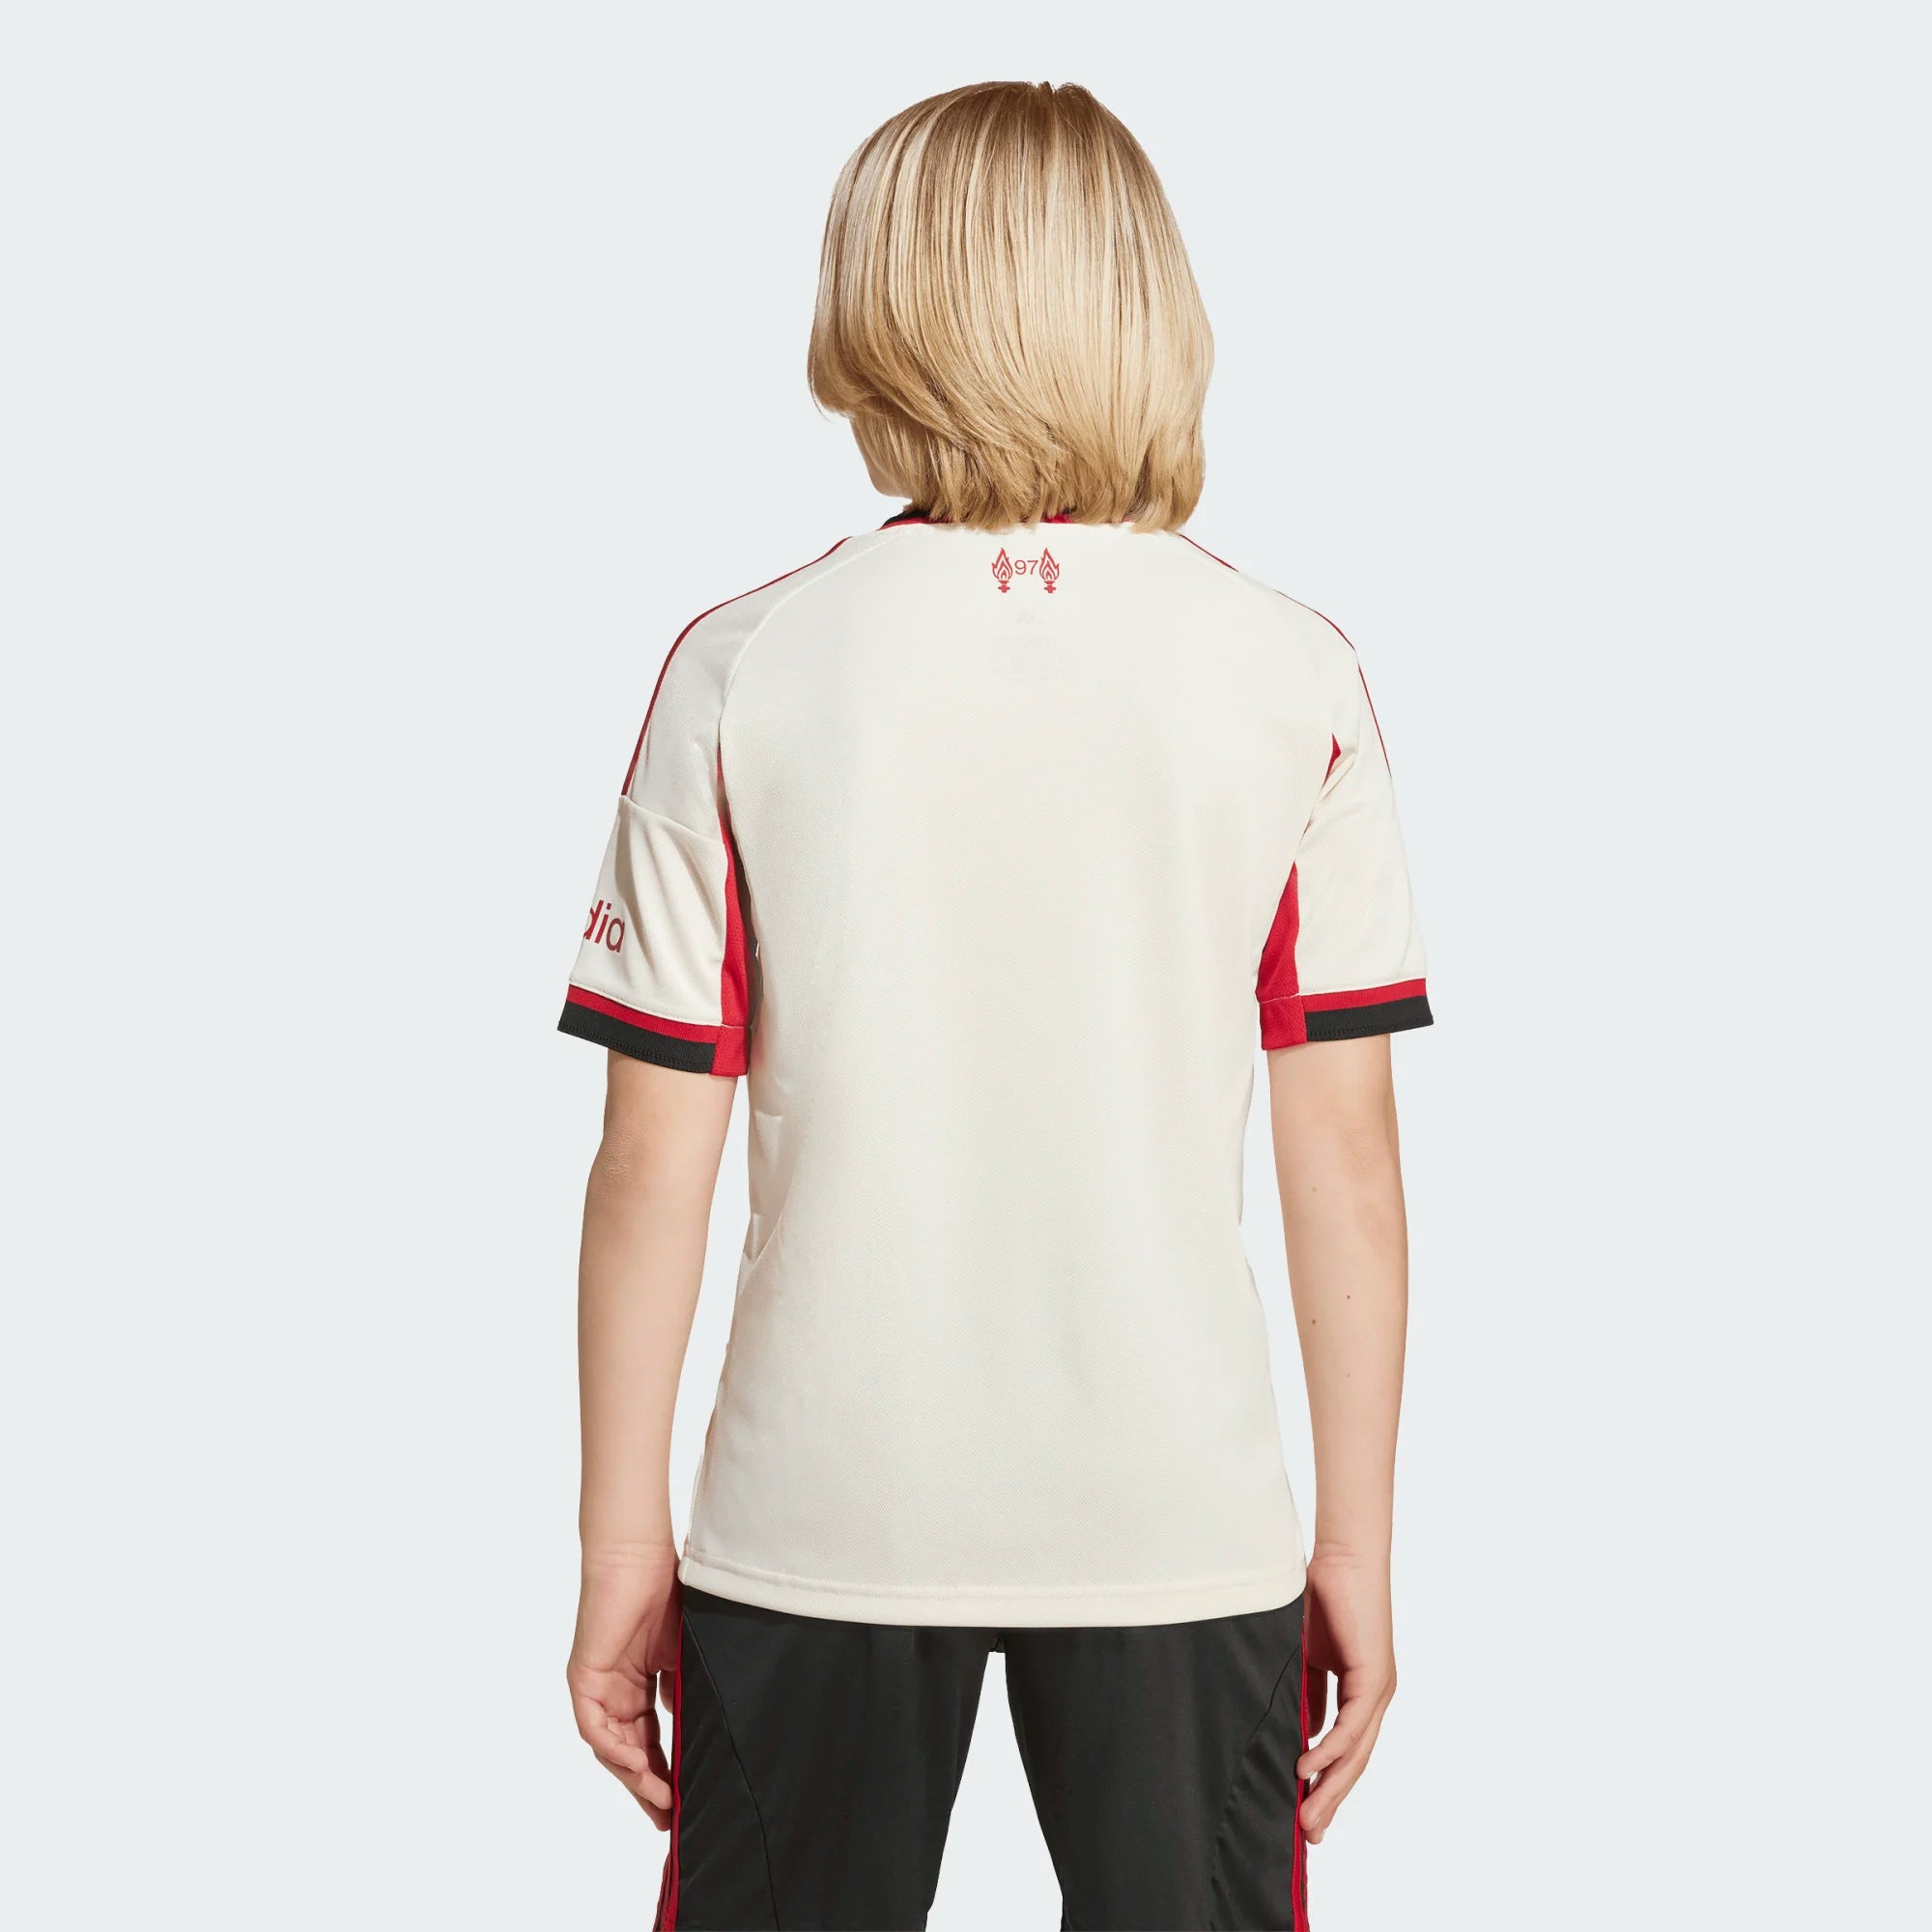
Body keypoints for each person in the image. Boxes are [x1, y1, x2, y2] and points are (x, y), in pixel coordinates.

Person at [559, 80, 1429, 1932]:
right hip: (1177, 1514)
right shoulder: (1291, 674)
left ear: (876, 308)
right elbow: (1347, 1164)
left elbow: (650, 1163)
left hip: (820, 1511)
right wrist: (1353, 1535)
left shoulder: (745, 669)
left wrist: (622, 1538)